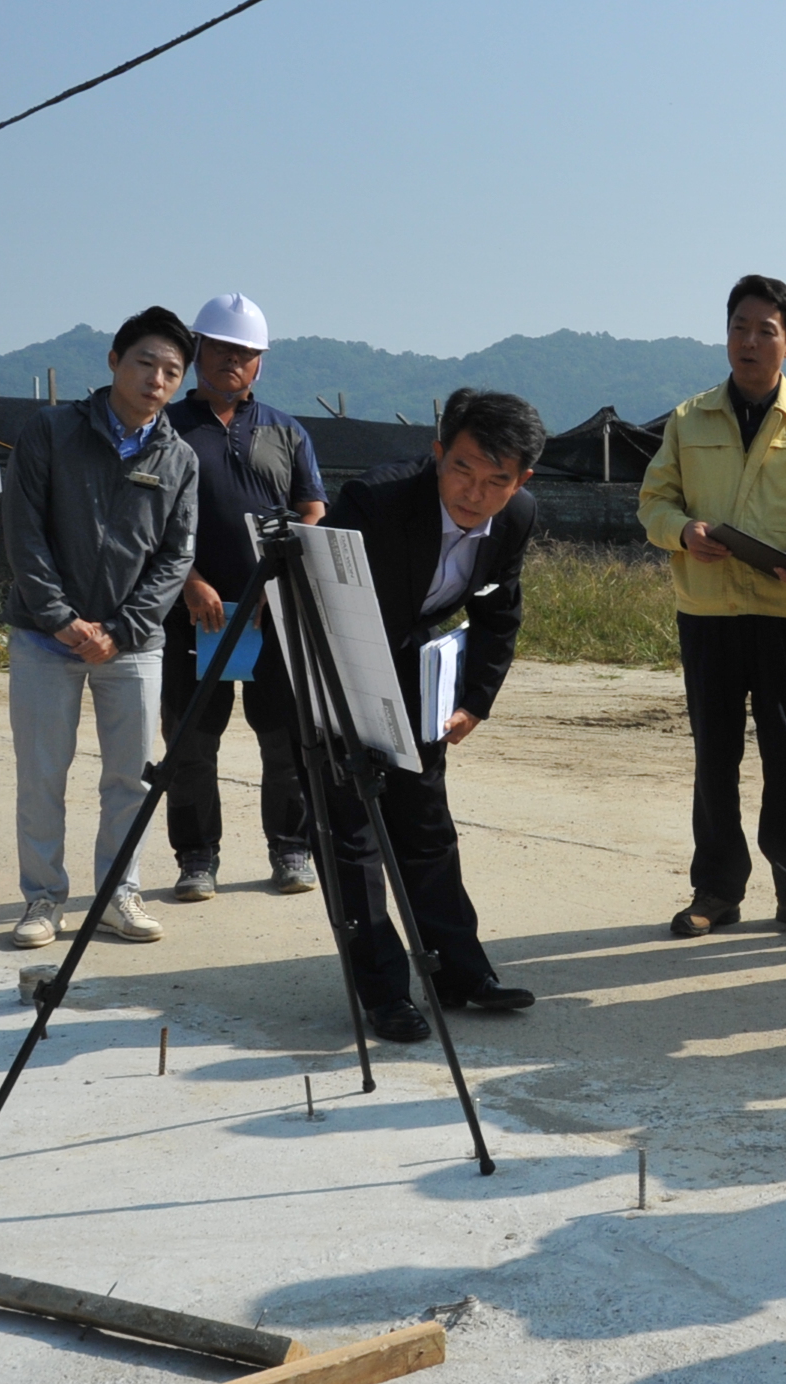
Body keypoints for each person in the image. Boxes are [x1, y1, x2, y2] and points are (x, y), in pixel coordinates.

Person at [639, 275, 786, 939]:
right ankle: (716, 890)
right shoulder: (689, 418)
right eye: (740, 327)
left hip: (784, 609)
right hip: (706, 609)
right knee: (715, 753)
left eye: (766, 331)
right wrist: (685, 532)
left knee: (784, 752)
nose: (750, 341)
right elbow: (654, 503)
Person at [322, 388, 543, 1042]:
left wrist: (475, 701)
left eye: (497, 481)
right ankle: (384, 993)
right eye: (462, 470)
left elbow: (499, 610)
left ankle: (460, 975)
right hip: (330, 667)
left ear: (522, 481)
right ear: (439, 452)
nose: (475, 493)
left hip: (416, 668)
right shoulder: (375, 501)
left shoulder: (517, 516)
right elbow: (321, 605)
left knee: (426, 825)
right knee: (353, 839)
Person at [3, 307, 199, 949]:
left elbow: (176, 556)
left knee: (131, 778)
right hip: (44, 637)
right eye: (145, 363)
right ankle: (42, 899)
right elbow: (24, 532)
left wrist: (123, 628)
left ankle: (119, 894)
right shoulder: (51, 431)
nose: (156, 380)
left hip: (133, 645)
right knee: (42, 775)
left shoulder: (179, 458)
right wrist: (61, 619)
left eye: (172, 371)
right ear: (115, 362)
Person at [161, 293, 327, 903]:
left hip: (272, 611)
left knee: (285, 739)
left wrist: (275, 579)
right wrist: (191, 581)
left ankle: (291, 849)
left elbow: (312, 507)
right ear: (197, 351)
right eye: (222, 348)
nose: (233, 360)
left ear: (260, 362)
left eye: (246, 352)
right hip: (191, 613)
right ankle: (196, 859)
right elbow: (148, 519)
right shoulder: (166, 428)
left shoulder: (287, 430)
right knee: (190, 742)